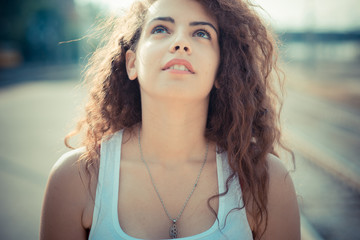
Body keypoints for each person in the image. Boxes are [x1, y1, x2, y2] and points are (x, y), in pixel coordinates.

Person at [40, 0, 300, 239]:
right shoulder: (76, 178)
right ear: (132, 63)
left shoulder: (266, 182)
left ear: (222, 70)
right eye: (161, 29)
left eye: (201, 33)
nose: (180, 43)